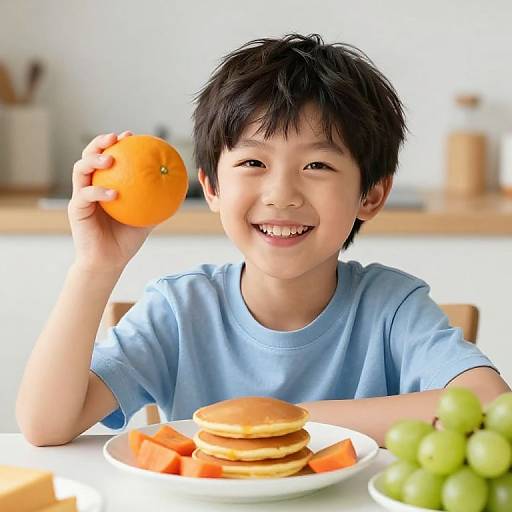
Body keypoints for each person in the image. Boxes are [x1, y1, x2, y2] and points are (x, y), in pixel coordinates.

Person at [16, 34, 509, 447]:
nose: (281, 195)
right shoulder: (180, 309)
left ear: (372, 195)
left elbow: (489, 405)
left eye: (317, 165)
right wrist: (95, 267)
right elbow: (44, 426)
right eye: (253, 162)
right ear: (211, 186)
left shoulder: (393, 307)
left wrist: (280, 419)